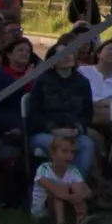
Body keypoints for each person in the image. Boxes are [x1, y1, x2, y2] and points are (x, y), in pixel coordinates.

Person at [29, 40, 97, 182]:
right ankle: (62, 191)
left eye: (69, 53)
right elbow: (34, 114)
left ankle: (72, 186)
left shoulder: (83, 83)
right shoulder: (42, 81)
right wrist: (54, 130)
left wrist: (77, 129)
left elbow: (87, 114)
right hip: (45, 132)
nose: (66, 57)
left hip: (73, 132)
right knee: (62, 148)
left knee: (87, 145)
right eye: (61, 54)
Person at [32, 130, 92, 224]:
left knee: (77, 188)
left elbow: (86, 191)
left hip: (66, 205)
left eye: (72, 152)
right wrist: (71, 193)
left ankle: (81, 219)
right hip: (43, 210)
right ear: (53, 154)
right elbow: (54, 190)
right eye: (64, 151)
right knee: (59, 195)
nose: (69, 155)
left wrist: (78, 194)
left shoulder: (73, 170)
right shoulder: (44, 169)